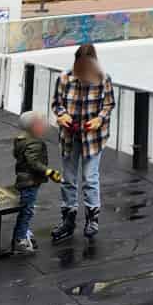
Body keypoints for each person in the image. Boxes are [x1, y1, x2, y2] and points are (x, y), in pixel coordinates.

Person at [51, 43, 116, 242]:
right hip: (70, 137)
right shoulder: (64, 78)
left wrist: (99, 119)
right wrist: (61, 116)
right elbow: (57, 104)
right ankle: (68, 220)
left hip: (92, 138)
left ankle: (92, 219)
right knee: (68, 179)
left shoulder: (103, 79)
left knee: (90, 177)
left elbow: (109, 104)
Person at [12, 111, 61, 253]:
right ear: (33, 127)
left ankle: (22, 232)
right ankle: (20, 239)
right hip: (29, 181)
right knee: (27, 211)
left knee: (26, 209)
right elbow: (33, 162)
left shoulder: (21, 140)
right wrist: (49, 172)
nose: (44, 127)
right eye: (41, 124)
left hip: (23, 180)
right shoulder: (34, 142)